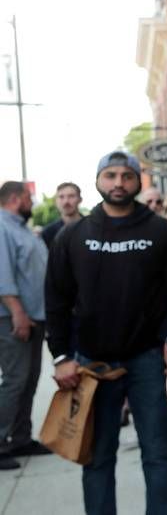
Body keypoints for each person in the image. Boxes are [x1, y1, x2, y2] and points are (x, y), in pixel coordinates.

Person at [45, 151, 167, 515]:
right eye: (110, 175)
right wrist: (61, 357)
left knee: (157, 452)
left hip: (148, 361)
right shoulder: (73, 236)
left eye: (126, 175)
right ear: (97, 181)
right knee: (97, 456)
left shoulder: (163, 232)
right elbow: (57, 299)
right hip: (92, 363)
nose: (118, 183)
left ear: (138, 181)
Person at [0, 182, 51, 471]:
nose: (32, 202)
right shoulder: (2, 227)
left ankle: (19, 437)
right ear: (16, 199)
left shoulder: (19, 227)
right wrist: (17, 312)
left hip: (33, 317)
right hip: (13, 317)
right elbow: (2, 276)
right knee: (15, 380)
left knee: (29, 380)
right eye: (29, 197)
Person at [41, 182, 83, 248]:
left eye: (71, 196)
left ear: (80, 200)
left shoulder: (92, 228)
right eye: (61, 197)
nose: (66, 201)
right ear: (55, 201)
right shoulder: (48, 232)